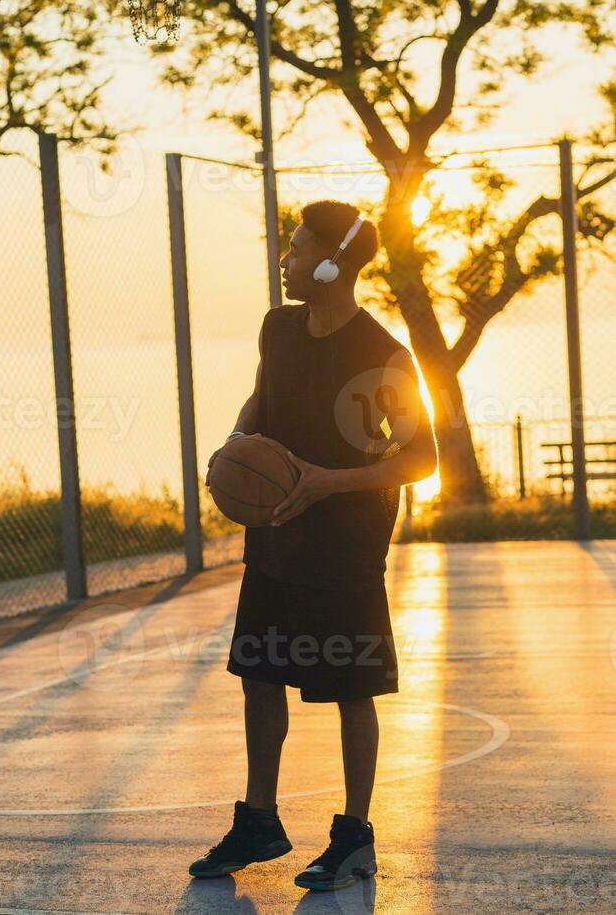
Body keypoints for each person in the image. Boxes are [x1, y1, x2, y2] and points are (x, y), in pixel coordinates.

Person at [189, 200, 438, 891]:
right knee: (260, 674)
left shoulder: (383, 354)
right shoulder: (279, 328)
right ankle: (259, 821)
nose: (285, 260)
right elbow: (260, 400)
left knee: (352, 688)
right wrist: (239, 443)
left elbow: (420, 459)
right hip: (276, 537)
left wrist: (331, 483)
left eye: (296, 251)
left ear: (331, 265)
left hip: (345, 545)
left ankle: (354, 837)